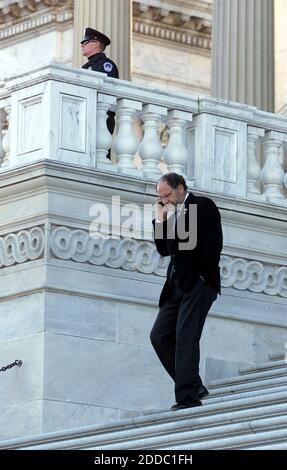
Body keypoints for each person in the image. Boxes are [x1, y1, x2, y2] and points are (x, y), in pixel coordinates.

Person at [150, 173, 223, 411]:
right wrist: (160, 221)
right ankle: (193, 385)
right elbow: (163, 250)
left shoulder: (202, 205)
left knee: (186, 337)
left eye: (167, 195)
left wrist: (201, 276)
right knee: (159, 335)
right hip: (175, 286)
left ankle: (188, 397)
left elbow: (214, 245)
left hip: (199, 284)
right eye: (160, 197)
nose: (164, 200)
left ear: (180, 188)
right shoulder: (168, 212)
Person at [81, 27, 119, 158]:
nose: (82, 45)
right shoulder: (86, 67)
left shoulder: (105, 65)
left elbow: (107, 90)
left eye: (85, 42)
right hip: (88, 115)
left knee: (100, 156)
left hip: (101, 116)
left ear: (96, 44)